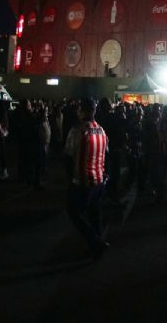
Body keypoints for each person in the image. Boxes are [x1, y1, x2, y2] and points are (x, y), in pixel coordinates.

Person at [63, 97, 110, 259]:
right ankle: (96, 244)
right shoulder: (101, 130)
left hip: (82, 180)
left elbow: (68, 157)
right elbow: (106, 154)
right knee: (95, 213)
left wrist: (70, 179)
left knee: (75, 213)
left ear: (81, 110)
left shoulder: (77, 130)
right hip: (99, 178)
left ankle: (95, 242)